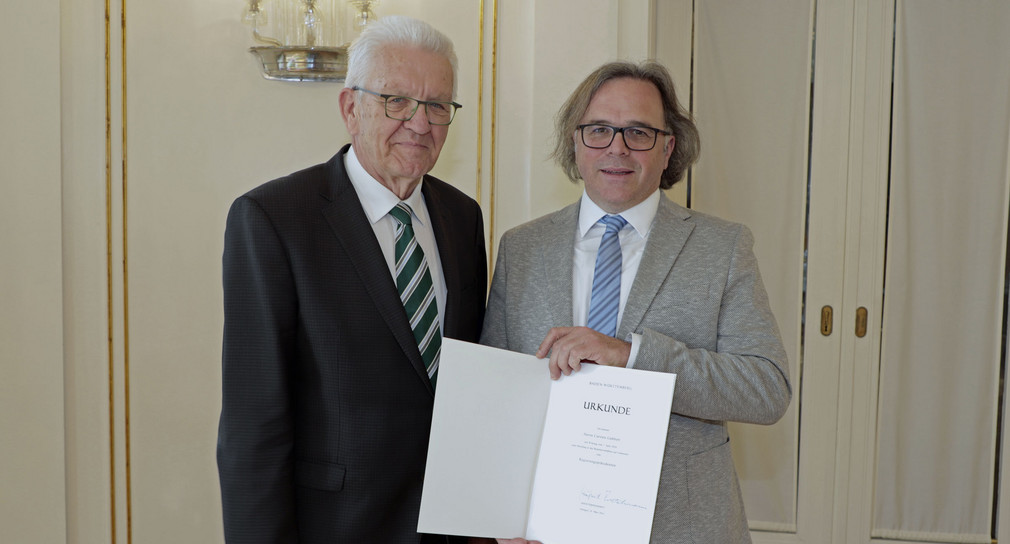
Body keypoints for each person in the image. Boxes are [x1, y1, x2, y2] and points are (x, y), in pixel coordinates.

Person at [479, 61, 791, 543]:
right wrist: (500, 517)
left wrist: (633, 356)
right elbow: (495, 399)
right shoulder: (522, 248)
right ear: (575, 143)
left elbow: (766, 389)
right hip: (548, 530)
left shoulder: (722, 247)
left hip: (681, 528)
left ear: (668, 149)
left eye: (639, 132)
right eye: (599, 130)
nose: (617, 148)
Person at [217, 16, 486, 544]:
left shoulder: (463, 217)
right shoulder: (274, 218)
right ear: (350, 108)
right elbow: (254, 429)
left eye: (437, 106)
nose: (419, 122)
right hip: (336, 528)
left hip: (450, 528)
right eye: (396, 100)